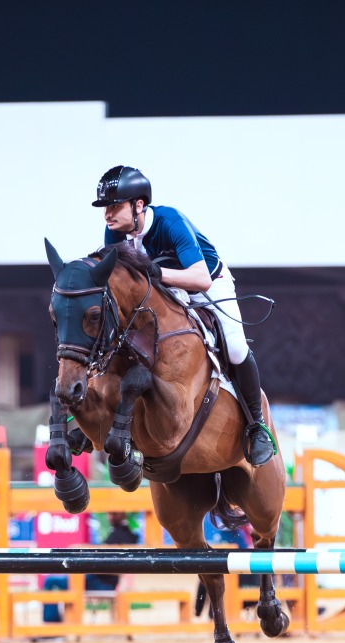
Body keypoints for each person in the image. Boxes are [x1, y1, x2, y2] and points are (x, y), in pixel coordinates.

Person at [92, 164, 276, 467]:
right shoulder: (114, 233)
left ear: (139, 205)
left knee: (235, 346)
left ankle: (256, 426)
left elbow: (201, 278)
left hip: (209, 286)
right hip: (164, 294)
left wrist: (156, 272)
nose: (107, 215)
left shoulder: (169, 221)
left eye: (114, 206)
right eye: (105, 208)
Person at [84, 511, 139, 592]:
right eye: (109, 514)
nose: (109, 517)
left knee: (62, 582)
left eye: (113, 514)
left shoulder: (121, 533)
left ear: (122, 514)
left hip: (102, 581)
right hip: (102, 579)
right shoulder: (123, 532)